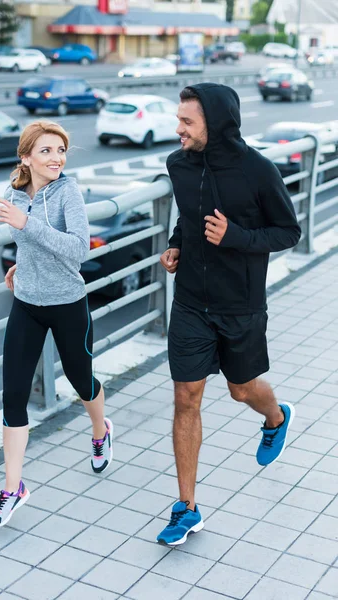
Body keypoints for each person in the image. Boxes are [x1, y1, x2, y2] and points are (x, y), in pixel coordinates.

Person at [157, 83, 301, 546]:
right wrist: (178, 243)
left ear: (214, 125)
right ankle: (186, 508)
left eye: (186, 122)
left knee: (241, 391)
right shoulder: (178, 164)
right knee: (186, 400)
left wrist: (236, 235)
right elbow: (188, 213)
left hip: (239, 305)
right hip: (189, 303)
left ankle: (276, 417)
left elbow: (287, 232)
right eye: (178, 119)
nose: (177, 129)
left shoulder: (257, 170)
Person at [0, 121, 113, 529]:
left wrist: (26, 226)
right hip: (26, 303)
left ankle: (99, 429)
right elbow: (30, 243)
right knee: (14, 395)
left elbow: (77, 250)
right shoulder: (12, 195)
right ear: (26, 157)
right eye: (46, 151)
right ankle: (13, 488)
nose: (56, 157)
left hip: (67, 302)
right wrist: (23, 264)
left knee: (82, 379)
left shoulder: (68, 193)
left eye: (60, 150)